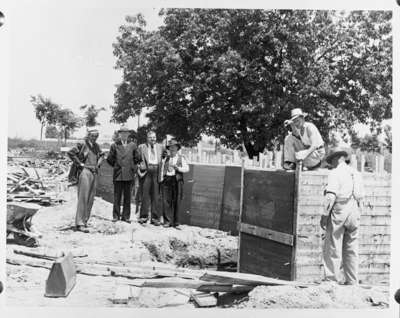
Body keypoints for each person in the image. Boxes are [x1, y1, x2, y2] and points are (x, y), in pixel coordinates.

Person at [320, 147, 364, 285]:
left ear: (337, 158)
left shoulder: (335, 173)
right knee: (351, 247)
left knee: (333, 244)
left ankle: (331, 280)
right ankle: (352, 281)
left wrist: (324, 215)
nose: (330, 164)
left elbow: (330, 196)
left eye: (331, 161)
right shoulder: (356, 173)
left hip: (340, 208)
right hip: (355, 210)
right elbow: (362, 197)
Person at [67, 129, 104, 232]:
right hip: (85, 171)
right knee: (83, 197)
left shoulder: (96, 146)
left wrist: (98, 164)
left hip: (94, 172)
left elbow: (102, 155)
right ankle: (79, 223)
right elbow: (70, 153)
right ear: (88, 135)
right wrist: (80, 164)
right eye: (92, 135)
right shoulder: (82, 144)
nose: (94, 137)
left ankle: (85, 221)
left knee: (91, 198)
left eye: (96, 136)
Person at [106, 125, 140, 223]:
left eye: (126, 133)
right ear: (119, 134)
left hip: (129, 175)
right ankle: (116, 216)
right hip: (118, 174)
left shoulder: (133, 145)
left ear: (128, 134)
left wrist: (132, 168)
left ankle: (126, 217)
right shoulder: (114, 145)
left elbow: (137, 158)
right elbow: (109, 159)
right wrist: (117, 166)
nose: (124, 135)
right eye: (122, 133)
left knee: (127, 197)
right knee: (117, 196)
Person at [137, 131, 166, 225]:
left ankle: (155, 218)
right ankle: (143, 217)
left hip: (156, 171)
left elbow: (166, 156)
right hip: (146, 171)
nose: (152, 139)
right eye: (150, 137)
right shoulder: (141, 147)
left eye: (154, 137)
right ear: (147, 138)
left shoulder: (161, 147)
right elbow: (136, 159)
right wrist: (139, 169)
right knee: (145, 195)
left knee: (155, 196)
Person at [160, 139, 189, 227]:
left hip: (177, 180)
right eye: (171, 147)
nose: (172, 149)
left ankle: (176, 221)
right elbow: (162, 169)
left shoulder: (181, 158)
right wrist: (162, 178)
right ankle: (167, 221)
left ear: (177, 148)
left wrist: (178, 169)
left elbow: (187, 169)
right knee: (166, 201)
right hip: (167, 180)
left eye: (174, 147)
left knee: (176, 200)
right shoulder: (166, 158)